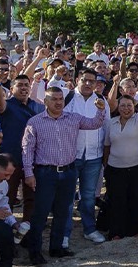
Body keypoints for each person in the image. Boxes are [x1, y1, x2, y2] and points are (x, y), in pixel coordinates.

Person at [22, 87, 107, 265]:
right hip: (45, 174)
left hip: (68, 172)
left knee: (62, 212)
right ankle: (35, 251)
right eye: (54, 99)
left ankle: (56, 247)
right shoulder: (35, 122)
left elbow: (95, 124)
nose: (59, 102)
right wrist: (29, 173)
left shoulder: (73, 118)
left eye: (61, 98)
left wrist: (100, 109)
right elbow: (27, 150)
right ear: (45, 101)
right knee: (41, 214)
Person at [61, 68, 110, 246]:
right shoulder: (67, 97)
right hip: (70, 156)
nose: (89, 84)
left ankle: (89, 229)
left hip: (94, 156)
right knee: (67, 197)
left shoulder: (101, 100)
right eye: (85, 80)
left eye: (92, 81)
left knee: (88, 196)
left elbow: (106, 127)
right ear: (77, 80)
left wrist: (105, 156)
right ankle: (64, 233)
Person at [0, 74, 45, 224]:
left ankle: (27, 231)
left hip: (34, 160)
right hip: (11, 160)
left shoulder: (38, 106)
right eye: (20, 85)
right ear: (11, 89)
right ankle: (6, 231)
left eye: (26, 85)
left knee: (31, 198)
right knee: (7, 198)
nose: (23, 88)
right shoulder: (7, 105)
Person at [103, 95, 138, 240]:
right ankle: (116, 231)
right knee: (117, 200)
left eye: (129, 105)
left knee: (136, 199)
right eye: (123, 105)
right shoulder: (111, 123)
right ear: (118, 107)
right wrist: (105, 164)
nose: (126, 109)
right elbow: (107, 145)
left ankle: (134, 229)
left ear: (134, 106)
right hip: (115, 168)